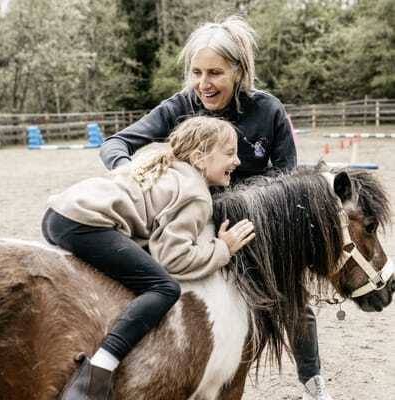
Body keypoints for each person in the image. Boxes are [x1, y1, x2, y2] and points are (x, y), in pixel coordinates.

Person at [99, 15, 332, 400]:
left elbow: (288, 183)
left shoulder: (268, 110)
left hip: (256, 231)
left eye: (215, 73)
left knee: (296, 299)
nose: (203, 84)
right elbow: (115, 144)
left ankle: (314, 384)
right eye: (196, 72)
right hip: (193, 226)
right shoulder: (180, 107)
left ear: (238, 72)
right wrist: (133, 173)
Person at [42, 116, 256, 400]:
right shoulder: (196, 195)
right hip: (86, 223)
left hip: (59, 215)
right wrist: (223, 249)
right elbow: (172, 258)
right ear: (200, 158)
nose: (237, 161)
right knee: (164, 288)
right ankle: (98, 371)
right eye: (229, 153)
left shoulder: (170, 168)